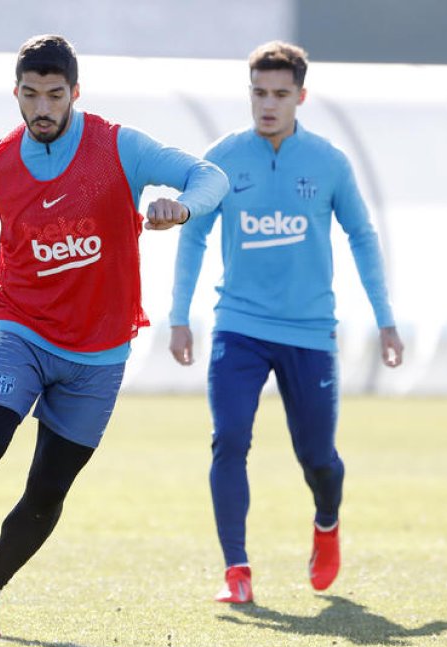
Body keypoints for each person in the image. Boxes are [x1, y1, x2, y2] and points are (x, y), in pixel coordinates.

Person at [0, 34, 228, 637]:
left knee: (49, 488)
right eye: (31, 95)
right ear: (17, 94)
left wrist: (183, 207)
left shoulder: (118, 146)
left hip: (100, 351)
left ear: (75, 92)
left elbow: (209, 175)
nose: (42, 107)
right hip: (21, 331)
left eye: (55, 95)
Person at [169, 41, 403, 604]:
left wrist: (386, 319)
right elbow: (193, 234)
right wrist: (179, 316)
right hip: (239, 327)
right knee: (229, 439)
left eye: (279, 94)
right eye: (259, 93)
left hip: (309, 332)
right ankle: (237, 570)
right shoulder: (222, 159)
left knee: (318, 459)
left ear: (301, 96)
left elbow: (362, 236)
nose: (268, 104)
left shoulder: (328, 162)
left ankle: (327, 521)